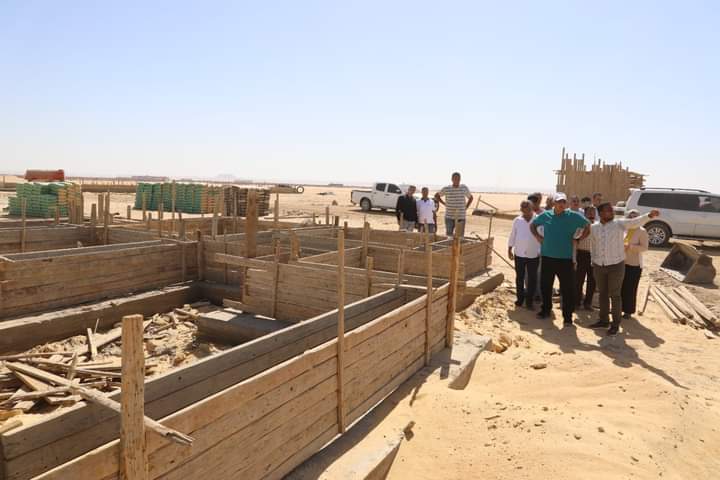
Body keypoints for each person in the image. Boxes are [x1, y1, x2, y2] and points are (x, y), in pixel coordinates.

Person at [589, 203, 659, 335]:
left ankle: (615, 324)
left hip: (616, 265)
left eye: (612, 210)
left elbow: (635, 221)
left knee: (615, 295)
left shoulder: (619, 224)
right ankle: (603, 320)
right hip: (599, 265)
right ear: (601, 213)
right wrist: (593, 260)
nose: (612, 212)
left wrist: (649, 215)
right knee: (603, 293)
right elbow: (593, 245)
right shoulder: (594, 227)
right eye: (608, 211)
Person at [530, 193, 590, 326]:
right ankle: (546, 310)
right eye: (559, 202)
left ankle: (567, 317)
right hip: (547, 257)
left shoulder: (573, 216)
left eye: (563, 202)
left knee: (568, 289)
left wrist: (578, 239)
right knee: (546, 286)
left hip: (565, 260)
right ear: (554, 203)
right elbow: (532, 225)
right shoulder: (546, 215)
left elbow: (587, 226)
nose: (561, 204)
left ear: (566, 203)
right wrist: (538, 237)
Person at [508, 201, 541, 308]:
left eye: (528, 207)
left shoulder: (538, 220)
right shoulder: (517, 220)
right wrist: (509, 249)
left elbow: (542, 235)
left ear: (532, 208)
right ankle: (520, 299)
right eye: (523, 208)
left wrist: (540, 251)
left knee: (532, 278)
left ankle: (529, 301)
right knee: (519, 277)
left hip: (534, 254)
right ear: (521, 209)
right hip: (519, 254)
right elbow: (513, 235)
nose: (525, 210)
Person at [621, 209, 649, 319]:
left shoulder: (642, 231)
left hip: (634, 265)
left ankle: (628, 311)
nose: (632, 219)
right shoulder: (624, 229)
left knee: (630, 288)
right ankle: (619, 308)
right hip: (621, 262)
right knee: (620, 287)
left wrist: (631, 247)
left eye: (635, 217)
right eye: (630, 217)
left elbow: (645, 247)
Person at [435, 172, 473, 237]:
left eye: (458, 179)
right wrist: (444, 203)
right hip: (449, 216)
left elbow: (471, 198)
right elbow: (436, 196)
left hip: (461, 217)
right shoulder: (446, 188)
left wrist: (466, 207)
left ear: (460, 179)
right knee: (449, 236)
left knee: (460, 237)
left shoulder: (464, 188)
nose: (457, 180)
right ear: (452, 179)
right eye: (455, 178)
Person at [575, 206, 597, 310]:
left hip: (594, 255)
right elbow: (575, 239)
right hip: (581, 254)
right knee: (579, 280)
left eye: (593, 212)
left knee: (592, 280)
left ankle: (588, 303)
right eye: (589, 212)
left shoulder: (598, 226)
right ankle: (577, 302)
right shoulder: (579, 225)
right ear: (585, 213)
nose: (592, 214)